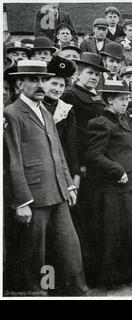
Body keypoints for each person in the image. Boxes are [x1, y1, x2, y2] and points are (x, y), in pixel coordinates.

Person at [4, 59, 87, 295]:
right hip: (33, 197)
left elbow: (57, 152)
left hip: (58, 192)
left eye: (42, 79)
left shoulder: (46, 111)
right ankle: (34, 295)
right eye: (33, 80)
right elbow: (13, 161)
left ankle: (77, 293)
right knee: (34, 256)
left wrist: (69, 186)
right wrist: (22, 202)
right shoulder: (11, 114)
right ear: (20, 84)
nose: (40, 85)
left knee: (70, 249)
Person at [86, 80, 132, 287]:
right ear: (110, 100)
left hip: (129, 185)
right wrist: (117, 170)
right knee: (114, 232)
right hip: (114, 187)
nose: (125, 103)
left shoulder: (121, 118)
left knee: (130, 229)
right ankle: (112, 277)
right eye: (121, 100)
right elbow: (94, 155)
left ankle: (131, 272)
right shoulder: (100, 123)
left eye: (126, 99)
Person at [61, 53, 108, 281]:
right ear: (78, 74)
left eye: (97, 74)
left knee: (97, 217)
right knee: (84, 218)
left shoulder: (94, 96)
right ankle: (85, 271)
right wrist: (77, 168)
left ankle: (97, 269)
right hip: (84, 167)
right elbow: (72, 137)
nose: (94, 77)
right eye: (90, 72)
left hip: (97, 165)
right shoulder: (71, 95)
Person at [42, 55, 80, 187]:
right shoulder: (34, 106)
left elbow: (71, 143)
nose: (57, 89)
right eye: (53, 83)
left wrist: (76, 173)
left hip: (61, 165)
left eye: (61, 85)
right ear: (43, 83)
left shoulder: (66, 110)